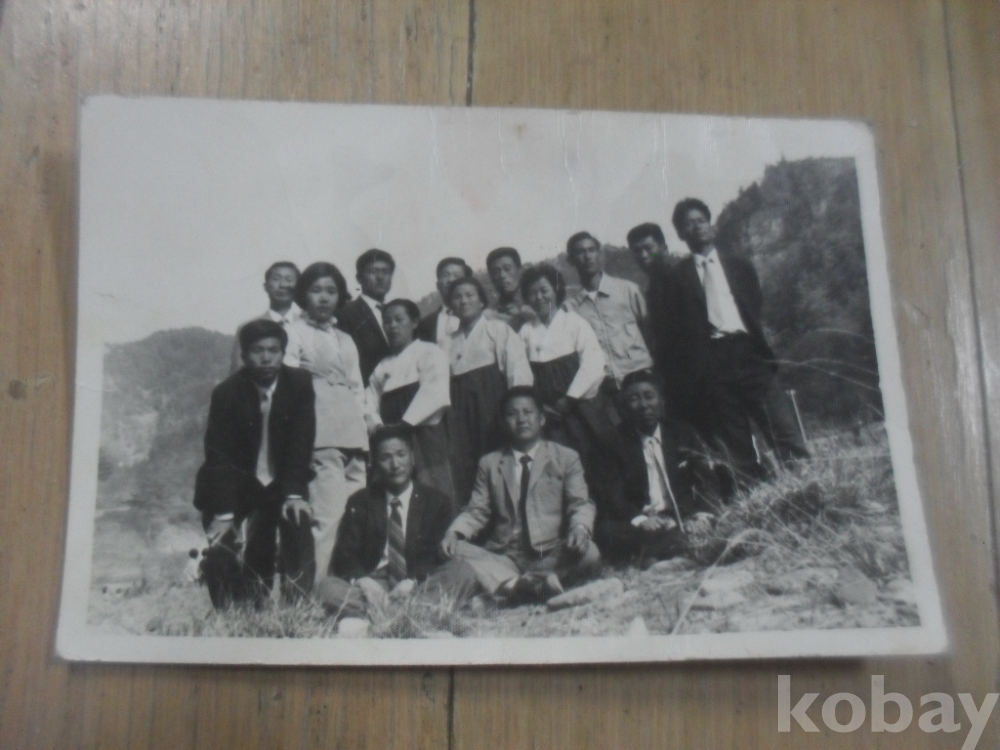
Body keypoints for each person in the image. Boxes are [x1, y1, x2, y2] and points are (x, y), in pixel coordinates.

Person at [194, 319, 317, 608]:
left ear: (283, 353)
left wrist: (294, 495)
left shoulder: (299, 384)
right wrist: (224, 512)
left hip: (279, 483)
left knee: (297, 522)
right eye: (257, 351)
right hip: (233, 485)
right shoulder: (226, 393)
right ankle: (233, 612)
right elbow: (219, 456)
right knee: (221, 546)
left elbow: (301, 442)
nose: (266, 358)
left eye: (273, 350)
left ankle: (296, 608)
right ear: (244, 356)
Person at [438, 387, 600, 604]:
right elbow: (477, 510)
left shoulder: (565, 457)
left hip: (549, 553)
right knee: (454, 549)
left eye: (528, 412)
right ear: (504, 422)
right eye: (512, 414)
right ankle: (524, 585)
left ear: (541, 419)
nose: (521, 419)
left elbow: (580, 503)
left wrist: (579, 529)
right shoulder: (490, 463)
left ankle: (511, 585)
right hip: (505, 556)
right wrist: (454, 533)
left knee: (589, 552)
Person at [659, 198, 777, 489]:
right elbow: (677, 330)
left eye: (701, 221)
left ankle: (807, 482)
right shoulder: (677, 278)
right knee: (735, 439)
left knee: (778, 423)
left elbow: (754, 304)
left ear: (711, 226)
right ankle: (758, 496)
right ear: (681, 234)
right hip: (713, 362)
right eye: (689, 224)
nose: (697, 227)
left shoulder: (738, 266)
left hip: (749, 352)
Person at [284, 262, 369, 584]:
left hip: (354, 434)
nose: (324, 298)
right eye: (316, 290)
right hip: (320, 432)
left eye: (331, 291)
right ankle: (317, 592)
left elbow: (357, 387)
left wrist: (366, 425)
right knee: (329, 516)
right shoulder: (294, 332)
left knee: (357, 516)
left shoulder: (345, 338)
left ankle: (350, 587)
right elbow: (288, 383)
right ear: (304, 295)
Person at [316, 424, 456, 621]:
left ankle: (381, 615)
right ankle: (409, 615)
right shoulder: (360, 501)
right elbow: (345, 555)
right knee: (326, 588)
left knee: (463, 572)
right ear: (375, 463)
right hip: (375, 586)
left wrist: (413, 581)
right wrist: (363, 580)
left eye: (401, 455)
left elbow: (435, 556)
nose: (395, 464)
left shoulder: (436, 501)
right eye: (385, 457)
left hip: (417, 584)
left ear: (412, 457)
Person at [594, 370, 717, 566]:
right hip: (641, 522)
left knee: (712, 519)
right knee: (605, 531)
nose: (643, 405)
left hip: (680, 515)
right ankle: (673, 547)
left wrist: (701, 516)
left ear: (662, 401)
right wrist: (640, 519)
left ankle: (655, 553)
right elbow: (611, 494)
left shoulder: (682, 433)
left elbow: (707, 481)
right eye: (634, 399)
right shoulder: (611, 443)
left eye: (649, 396)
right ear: (624, 408)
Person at [445, 276, 534, 507]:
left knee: (500, 461)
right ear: (450, 305)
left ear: (482, 301)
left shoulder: (498, 329)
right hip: (459, 414)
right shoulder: (446, 343)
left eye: (469, 295)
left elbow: (517, 372)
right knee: (468, 467)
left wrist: (518, 412)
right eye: (457, 297)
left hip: (492, 408)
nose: (463, 301)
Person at [516, 264, 609, 477]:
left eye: (544, 290)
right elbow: (521, 374)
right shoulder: (526, 332)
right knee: (560, 466)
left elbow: (593, 362)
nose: (539, 297)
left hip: (581, 406)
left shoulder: (574, 323)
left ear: (556, 290)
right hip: (549, 415)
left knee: (594, 461)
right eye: (532, 293)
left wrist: (570, 398)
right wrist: (538, 406)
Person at [367, 299, 454, 501]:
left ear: (414, 322)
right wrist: (378, 425)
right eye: (387, 321)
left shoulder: (429, 352)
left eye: (399, 320)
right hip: (390, 435)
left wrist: (406, 424)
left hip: (423, 432)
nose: (393, 326)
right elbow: (370, 400)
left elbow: (435, 391)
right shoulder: (382, 366)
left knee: (431, 486)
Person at [564, 231, 654, 392]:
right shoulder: (573, 308)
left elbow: (650, 334)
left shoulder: (628, 290)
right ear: (571, 259)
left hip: (640, 379)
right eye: (580, 252)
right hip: (605, 388)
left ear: (599, 254)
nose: (588, 256)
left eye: (592, 250)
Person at [229, 262, 303, 371]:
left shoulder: (307, 325)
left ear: (299, 288)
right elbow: (237, 371)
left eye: (289, 280)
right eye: (276, 279)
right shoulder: (247, 327)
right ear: (266, 287)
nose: (282, 285)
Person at [337, 248, 395, 386]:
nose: (380, 277)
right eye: (373, 271)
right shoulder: (345, 312)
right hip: (363, 390)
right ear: (359, 278)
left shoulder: (396, 313)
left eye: (386, 272)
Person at [416, 257, 472, 351]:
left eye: (456, 275)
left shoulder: (479, 317)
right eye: (445, 275)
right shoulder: (424, 324)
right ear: (438, 285)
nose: (450, 280)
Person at [485, 246, 534, 331]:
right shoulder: (488, 316)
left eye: (507, 269)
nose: (502, 276)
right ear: (491, 277)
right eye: (496, 272)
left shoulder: (536, 306)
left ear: (519, 270)